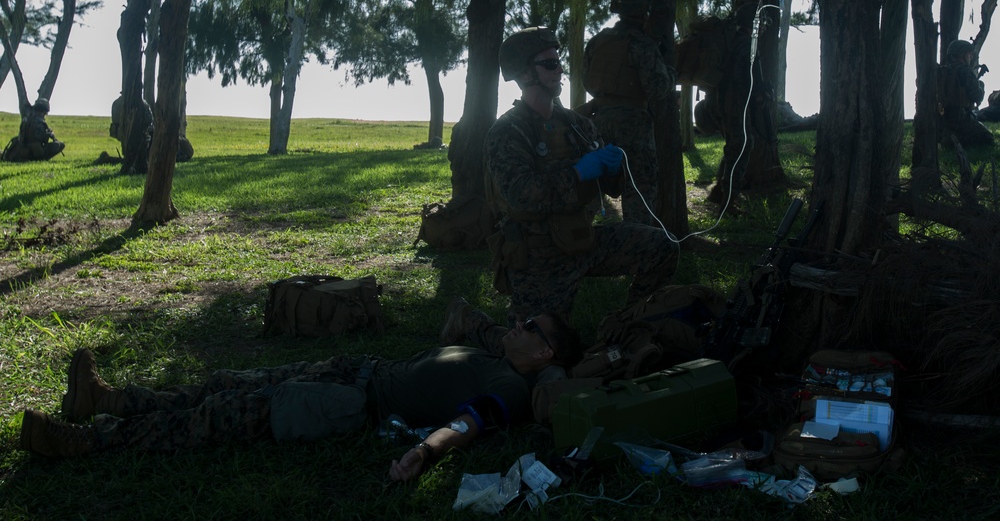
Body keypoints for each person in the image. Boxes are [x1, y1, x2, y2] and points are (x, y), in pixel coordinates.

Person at [19, 312, 582, 483]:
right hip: (352, 369)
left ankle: (86, 440)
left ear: (546, 356)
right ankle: (108, 400)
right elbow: (464, 325)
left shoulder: (510, 383)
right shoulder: (500, 350)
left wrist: (425, 453)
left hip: (350, 404)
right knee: (224, 383)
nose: (520, 324)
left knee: (221, 417)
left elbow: (473, 422)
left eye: (534, 327)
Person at [485, 27, 679, 326]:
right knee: (534, 350)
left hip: (583, 240)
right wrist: (577, 172)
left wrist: (613, 169)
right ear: (525, 75)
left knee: (662, 247)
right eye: (549, 64)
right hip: (538, 255)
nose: (559, 69)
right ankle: (468, 321)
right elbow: (520, 196)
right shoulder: (508, 131)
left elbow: (612, 189)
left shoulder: (577, 124)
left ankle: (627, 327)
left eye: (559, 61)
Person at [581, 0, 673, 225]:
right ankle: (638, 245)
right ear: (644, 10)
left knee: (594, 184)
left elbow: (586, 80)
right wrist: (670, 70)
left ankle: (578, 236)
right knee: (639, 188)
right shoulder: (642, 43)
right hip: (633, 123)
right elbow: (657, 89)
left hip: (597, 119)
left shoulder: (598, 40)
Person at [704, 4, 772, 204]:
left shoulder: (733, 40)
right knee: (742, 147)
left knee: (734, 147)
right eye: (762, 24)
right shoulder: (745, 44)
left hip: (722, 104)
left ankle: (720, 191)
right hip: (734, 106)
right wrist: (757, 93)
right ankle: (728, 200)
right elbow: (741, 77)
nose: (763, 29)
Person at [938, 40, 993, 147]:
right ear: (962, 55)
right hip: (960, 117)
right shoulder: (965, 70)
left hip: (943, 118)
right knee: (988, 138)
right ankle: (954, 140)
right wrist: (981, 85)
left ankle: (949, 137)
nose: (970, 57)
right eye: (969, 54)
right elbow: (976, 96)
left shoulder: (944, 70)